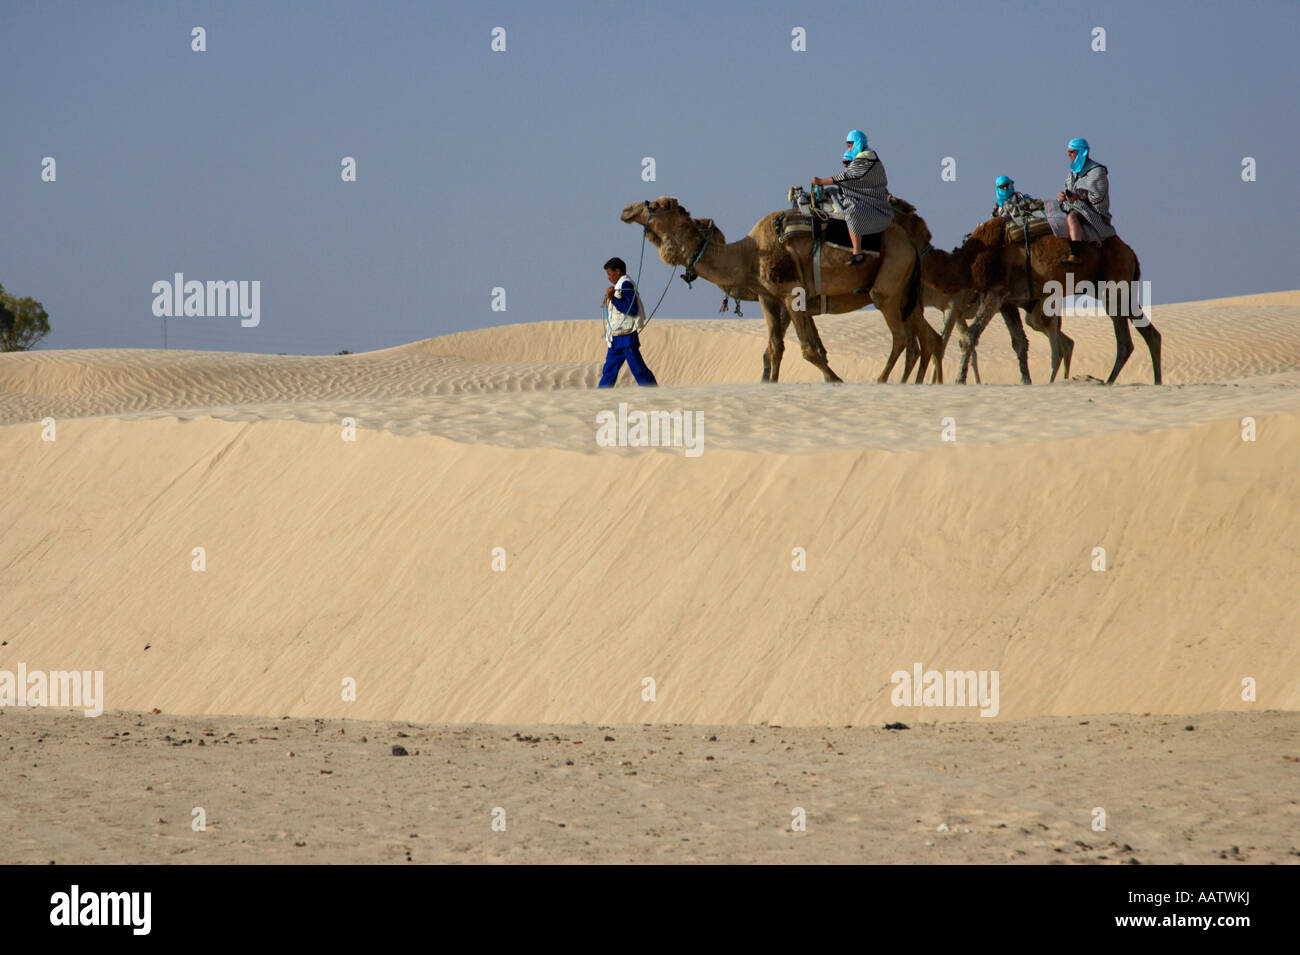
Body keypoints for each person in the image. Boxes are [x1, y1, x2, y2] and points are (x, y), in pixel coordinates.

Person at [812, 129, 893, 265]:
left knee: (851, 209)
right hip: (865, 195)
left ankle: (857, 252)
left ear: (857, 143)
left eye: (850, 144)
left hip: (874, 201)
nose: (848, 148)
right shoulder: (864, 158)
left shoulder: (866, 158)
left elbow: (847, 176)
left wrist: (821, 181)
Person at [1045, 138, 1116, 264]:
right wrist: (1064, 196)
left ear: (1082, 152)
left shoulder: (1097, 171)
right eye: (1068, 152)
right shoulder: (1073, 172)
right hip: (1072, 204)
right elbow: (1070, 189)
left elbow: (1097, 196)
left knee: (1072, 217)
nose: (1069, 155)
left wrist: (1078, 197)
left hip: (1091, 210)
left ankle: (1075, 254)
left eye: (1072, 152)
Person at [599, 257, 657, 388]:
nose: (608, 277)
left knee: (638, 370)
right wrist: (610, 300)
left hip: (626, 337)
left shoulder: (626, 284)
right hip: (616, 338)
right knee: (609, 372)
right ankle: (600, 397)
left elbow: (631, 309)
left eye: (609, 274)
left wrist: (612, 298)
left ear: (618, 271)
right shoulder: (618, 286)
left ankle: (653, 392)